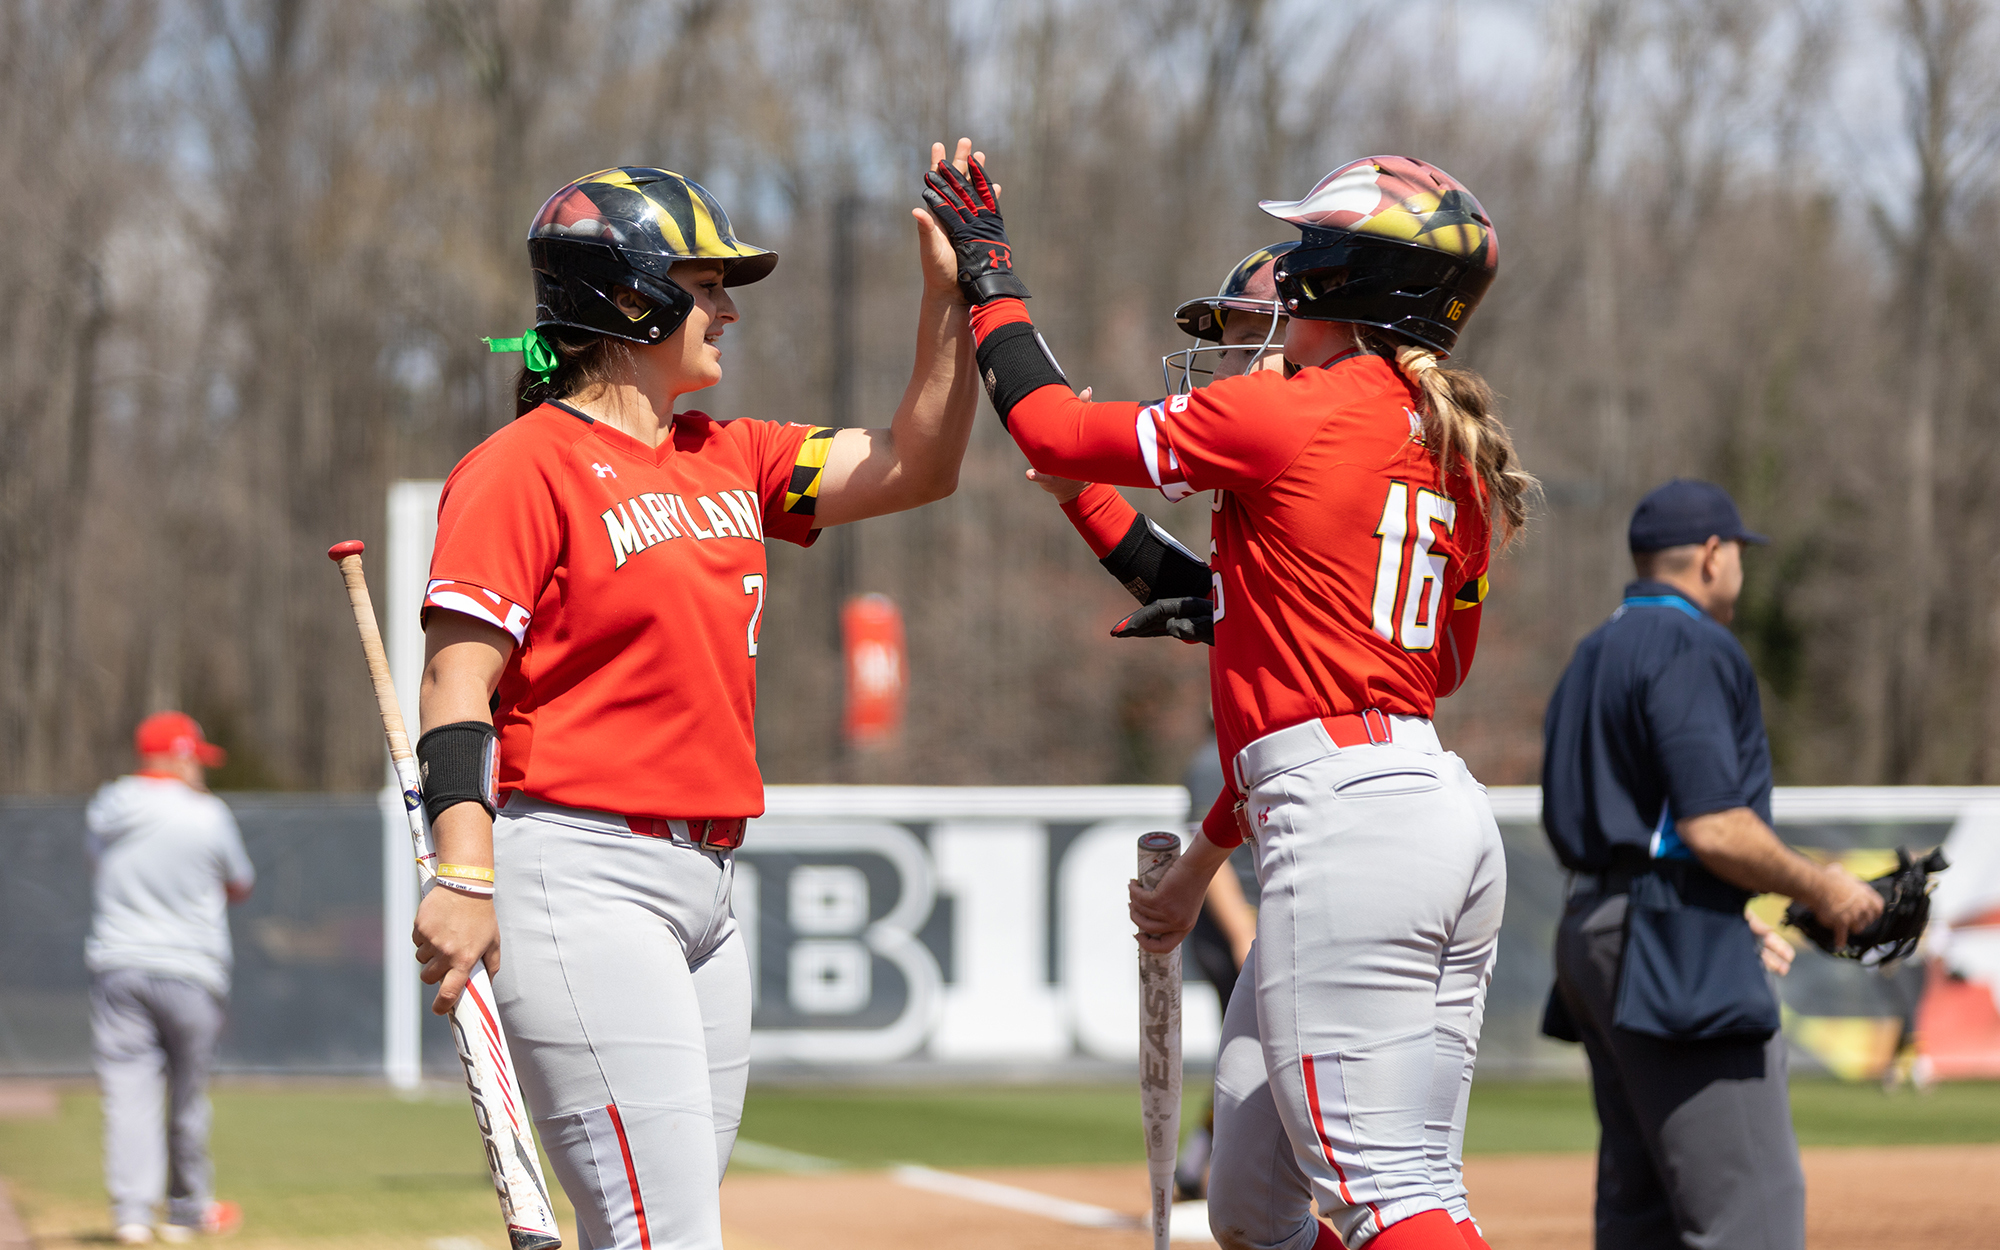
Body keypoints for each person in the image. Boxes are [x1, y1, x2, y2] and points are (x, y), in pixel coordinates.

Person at [926, 149, 1535, 1250]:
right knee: (1257, 1206)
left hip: (1350, 820)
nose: (1280, 290)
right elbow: (1427, 665)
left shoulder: (1292, 412)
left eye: (1301, 260)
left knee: (1381, 1191)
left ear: (1346, 279)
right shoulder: (1444, 444)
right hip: (1423, 805)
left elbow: (1052, 428)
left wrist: (987, 270)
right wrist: (1208, 852)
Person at [411, 151, 981, 1250]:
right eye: (705, 284)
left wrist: (947, 299)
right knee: (662, 1232)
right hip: (579, 873)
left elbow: (918, 462)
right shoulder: (519, 467)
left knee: (653, 1224)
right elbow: (455, 678)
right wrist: (463, 870)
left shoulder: (730, 455)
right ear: (631, 297)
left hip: (705, 888)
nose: (726, 309)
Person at [1538, 478, 1883, 1250]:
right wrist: (1824, 887)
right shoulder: (1691, 643)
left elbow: (1630, 824)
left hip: (1596, 930)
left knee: (1645, 1213)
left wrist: (1718, 915)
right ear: (1714, 556)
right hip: (1665, 942)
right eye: (1739, 558)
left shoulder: (1593, 653)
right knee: (1751, 1215)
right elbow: (1714, 826)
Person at [85, 712, 252, 1246]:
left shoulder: (107, 808)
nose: (199, 770)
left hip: (119, 964)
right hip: (190, 970)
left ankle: (131, 1214)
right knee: (186, 1097)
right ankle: (184, 1210)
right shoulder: (206, 814)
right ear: (179, 755)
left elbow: (97, 865)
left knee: (127, 1091)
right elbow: (239, 883)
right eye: (196, 759)